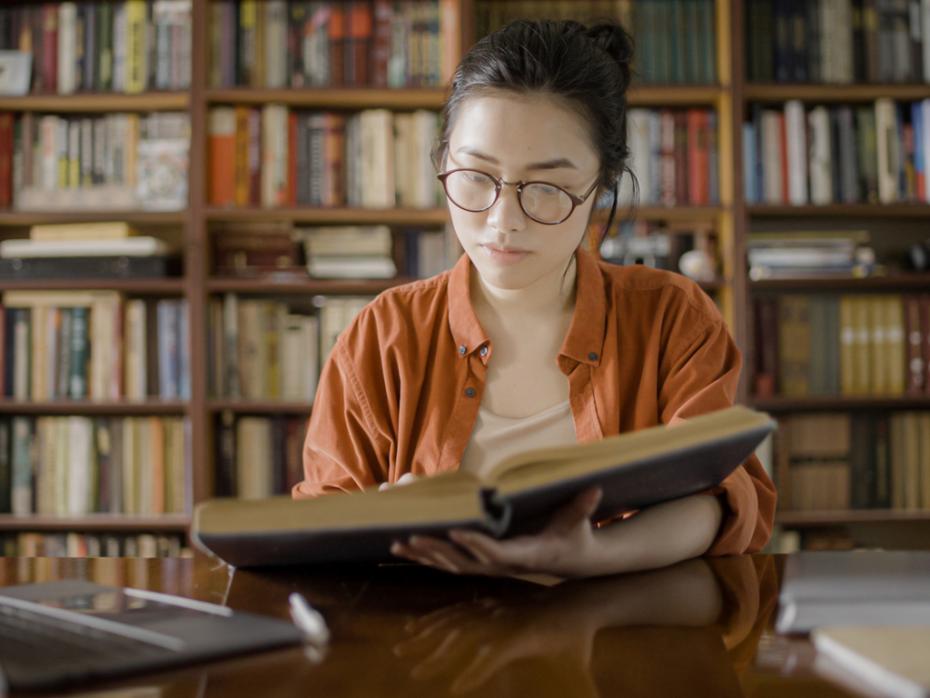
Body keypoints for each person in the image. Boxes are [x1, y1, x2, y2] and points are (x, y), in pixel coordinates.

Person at [293, 18, 777, 578]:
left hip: (623, 645)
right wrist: (381, 525)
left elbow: (717, 497)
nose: (503, 221)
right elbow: (319, 527)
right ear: (443, 162)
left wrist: (591, 556)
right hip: (432, 651)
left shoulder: (671, 318)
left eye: (546, 188)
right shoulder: (383, 335)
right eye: (475, 176)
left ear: (602, 185)